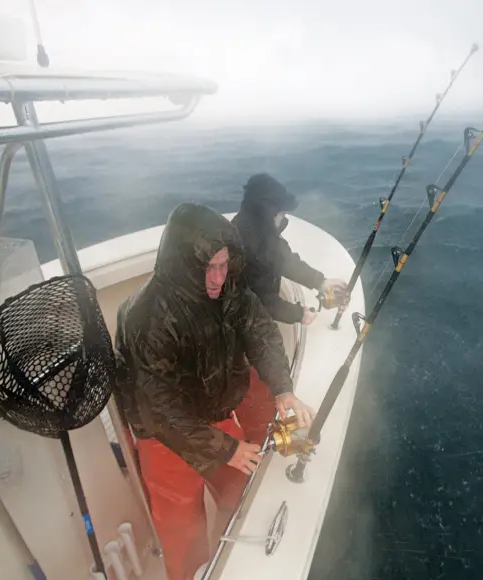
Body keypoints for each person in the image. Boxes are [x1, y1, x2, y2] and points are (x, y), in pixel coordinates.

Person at [112, 202, 316, 580]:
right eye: (208, 267)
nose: (218, 277)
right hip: (164, 437)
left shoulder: (229, 290)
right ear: (183, 264)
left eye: (224, 265)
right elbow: (158, 410)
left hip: (215, 417)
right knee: (182, 528)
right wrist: (227, 448)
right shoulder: (146, 319)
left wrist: (283, 389)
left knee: (241, 493)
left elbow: (260, 332)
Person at [231, 173, 348, 326]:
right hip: (239, 318)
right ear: (269, 213)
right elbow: (259, 300)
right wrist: (299, 314)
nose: (284, 217)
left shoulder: (253, 227)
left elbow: (283, 259)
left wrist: (320, 281)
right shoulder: (251, 248)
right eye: (282, 213)